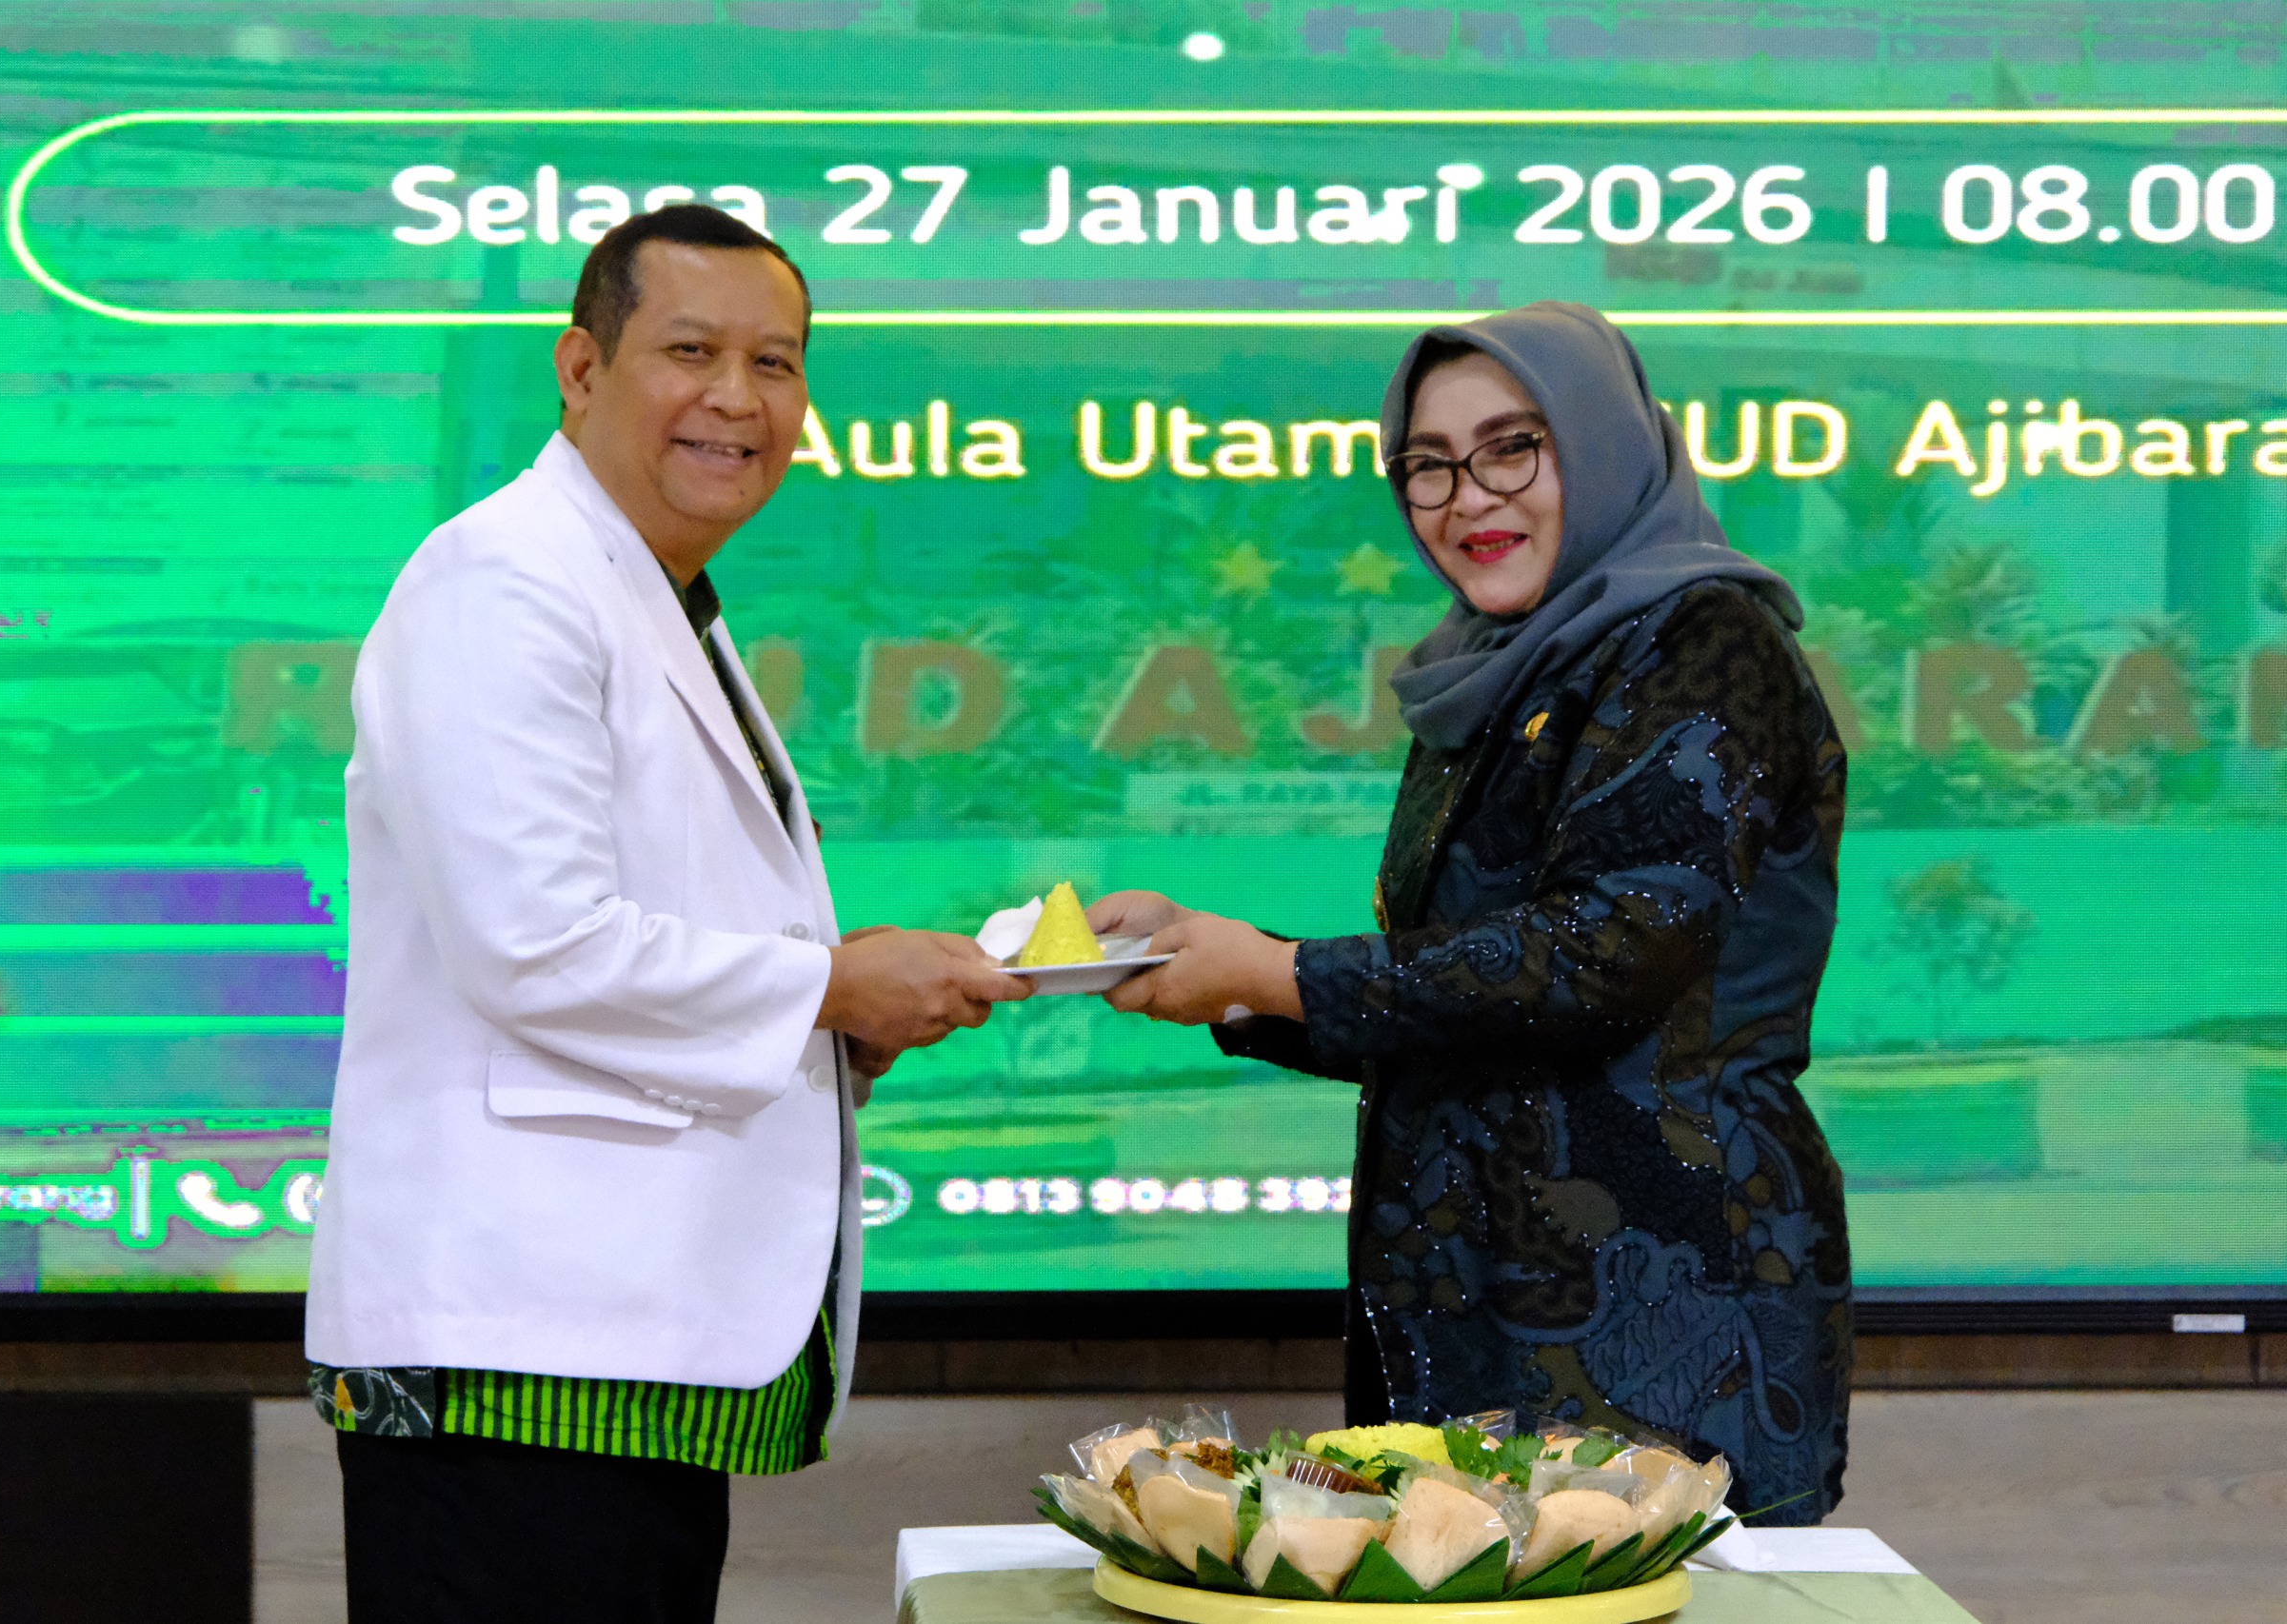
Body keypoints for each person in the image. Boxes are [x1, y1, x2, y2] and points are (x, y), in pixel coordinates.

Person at [303, 205, 1029, 1623]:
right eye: (690, 352)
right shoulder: (504, 581)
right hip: (516, 1358)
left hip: (606, 1349)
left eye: (776, 362)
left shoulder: (648, 588)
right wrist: (827, 988)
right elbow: (535, 942)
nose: (738, 399)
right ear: (581, 369)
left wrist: (836, 1023)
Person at [1094, 302, 1852, 1522]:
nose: (1467, 497)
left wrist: (1279, 972)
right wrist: (1223, 973)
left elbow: (1605, 954)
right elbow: (1464, 989)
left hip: (1659, 1308)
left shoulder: (1702, 641)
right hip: (1469, 1308)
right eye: (1428, 464)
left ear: (1602, 442)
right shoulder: (1501, 667)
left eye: (1512, 447)